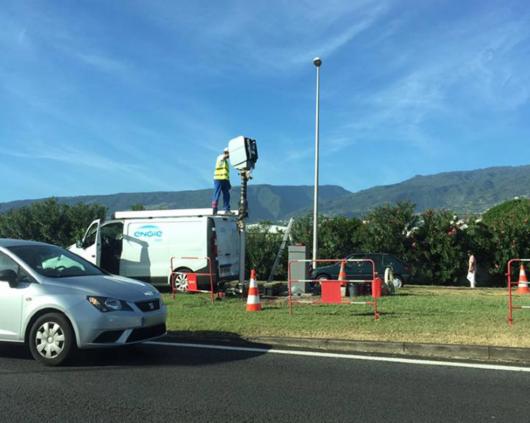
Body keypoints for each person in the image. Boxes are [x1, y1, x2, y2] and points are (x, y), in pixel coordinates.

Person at [211, 147, 231, 215]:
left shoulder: (226, 162)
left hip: (225, 180)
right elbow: (224, 156)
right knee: (217, 193)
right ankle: (214, 209)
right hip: (218, 179)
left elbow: (226, 173)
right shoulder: (220, 157)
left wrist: (228, 182)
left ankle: (227, 209)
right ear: (226, 152)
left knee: (226, 195)